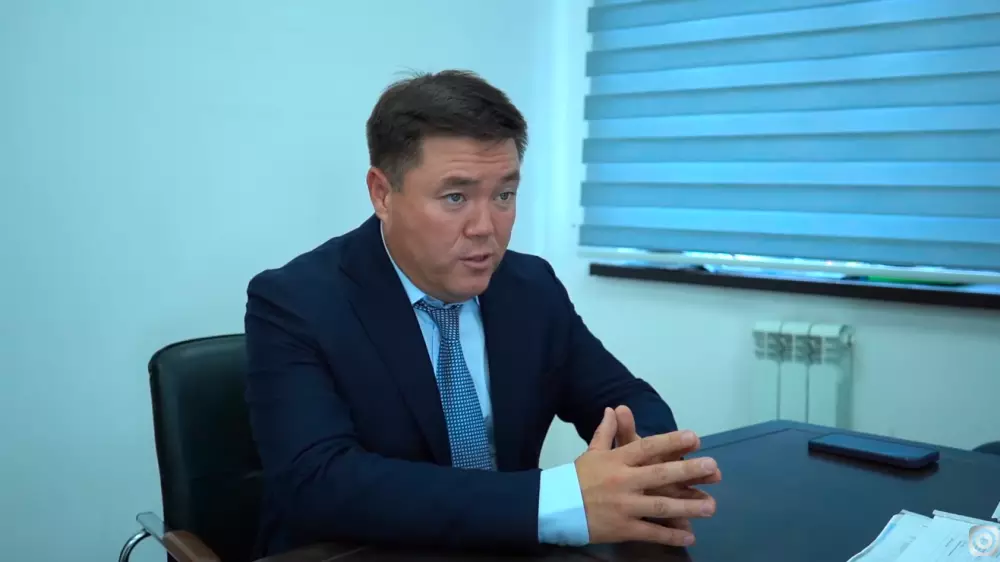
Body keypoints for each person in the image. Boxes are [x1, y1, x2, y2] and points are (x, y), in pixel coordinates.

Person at [243, 69, 721, 557]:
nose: (485, 227)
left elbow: (622, 397)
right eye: (456, 197)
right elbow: (318, 482)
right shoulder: (295, 301)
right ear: (382, 193)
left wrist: (646, 464)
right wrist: (555, 500)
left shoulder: (530, 287)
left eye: (503, 195)